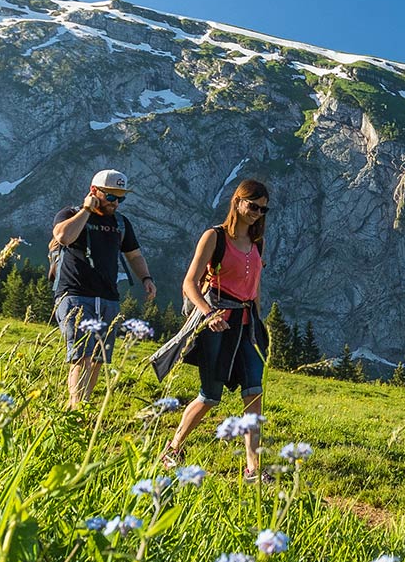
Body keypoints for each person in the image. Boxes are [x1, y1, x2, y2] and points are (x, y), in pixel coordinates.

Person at [160, 179, 272, 481]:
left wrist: (258, 325)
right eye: (253, 206)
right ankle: (173, 448)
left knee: (254, 394)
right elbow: (189, 283)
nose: (257, 213)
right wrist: (208, 314)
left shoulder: (256, 241)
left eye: (263, 209)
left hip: (246, 326)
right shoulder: (215, 237)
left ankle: (253, 469)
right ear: (237, 202)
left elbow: (255, 288)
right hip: (218, 323)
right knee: (210, 396)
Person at [50, 169, 158, 408]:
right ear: (93, 191)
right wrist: (87, 210)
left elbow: (134, 255)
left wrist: (146, 278)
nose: (116, 203)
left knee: (98, 358)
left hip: (109, 298)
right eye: (110, 197)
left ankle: (83, 406)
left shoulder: (121, 223)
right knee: (81, 355)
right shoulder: (71, 214)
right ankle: (76, 407)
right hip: (75, 295)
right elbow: (63, 237)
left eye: (121, 198)